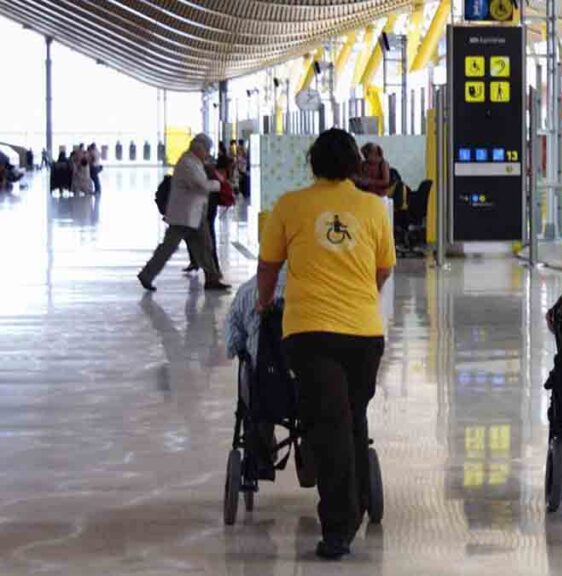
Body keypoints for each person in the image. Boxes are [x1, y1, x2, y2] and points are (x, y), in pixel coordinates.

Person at [257, 128, 396, 560]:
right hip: (364, 333)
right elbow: (384, 269)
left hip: (310, 333)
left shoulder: (290, 205)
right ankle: (350, 508)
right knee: (350, 419)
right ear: (355, 164)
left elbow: (268, 267)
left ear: (313, 162)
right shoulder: (372, 208)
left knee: (332, 425)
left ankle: (339, 527)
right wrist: (359, 297)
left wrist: (264, 304)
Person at [137, 134, 231, 292]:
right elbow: (200, 185)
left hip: (195, 213)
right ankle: (147, 275)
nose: (207, 154)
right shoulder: (187, 163)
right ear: (198, 148)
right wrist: (219, 185)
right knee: (168, 247)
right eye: (206, 150)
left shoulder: (194, 162)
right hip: (184, 215)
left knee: (205, 245)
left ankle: (212, 278)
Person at [185, 154, 234, 273]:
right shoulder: (212, 173)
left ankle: (205, 266)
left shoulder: (208, 171)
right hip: (204, 209)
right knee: (206, 238)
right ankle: (212, 270)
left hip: (200, 209)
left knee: (198, 237)